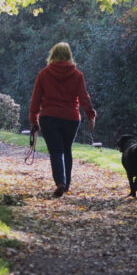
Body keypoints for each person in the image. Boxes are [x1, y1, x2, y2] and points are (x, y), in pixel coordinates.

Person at [29, 42, 97, 197]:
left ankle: (60, 182)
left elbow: (36, 100)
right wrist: (90, 116)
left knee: (55, 151)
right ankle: (66, 185)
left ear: (52, 55)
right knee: (66, 149)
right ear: (69, 56)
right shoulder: (77, 75)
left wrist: (34, 119)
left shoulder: (44, 74)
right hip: (71, 118)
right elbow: (84, 97)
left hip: (49, 117)